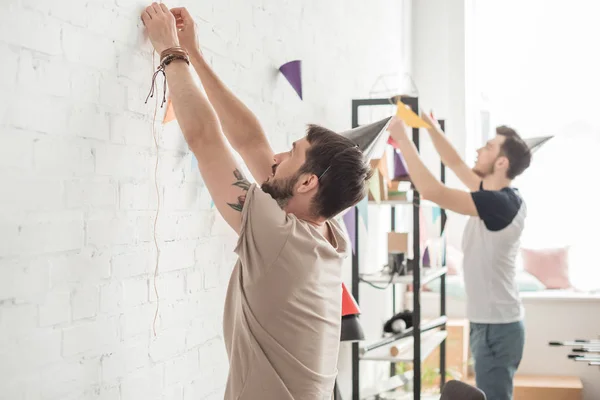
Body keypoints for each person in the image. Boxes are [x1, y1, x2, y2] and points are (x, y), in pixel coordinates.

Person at [141, 4, 373, 399]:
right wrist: (194, 52)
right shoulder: (326, 231)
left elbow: (207, 141)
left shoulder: (281, 237)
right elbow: (251, 142)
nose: (277, 158)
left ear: (307, 183)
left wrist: (170, 50)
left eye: (292, 153)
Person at [387, 113, 531, 400]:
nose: (479, 150)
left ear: (502, 163)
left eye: (488, 147)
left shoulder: (500, 203)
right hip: (492, 324)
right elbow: (454, 163)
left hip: (496, 327)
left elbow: (431, 190)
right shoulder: (494, 196)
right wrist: (430, 127)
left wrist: (403, 140)